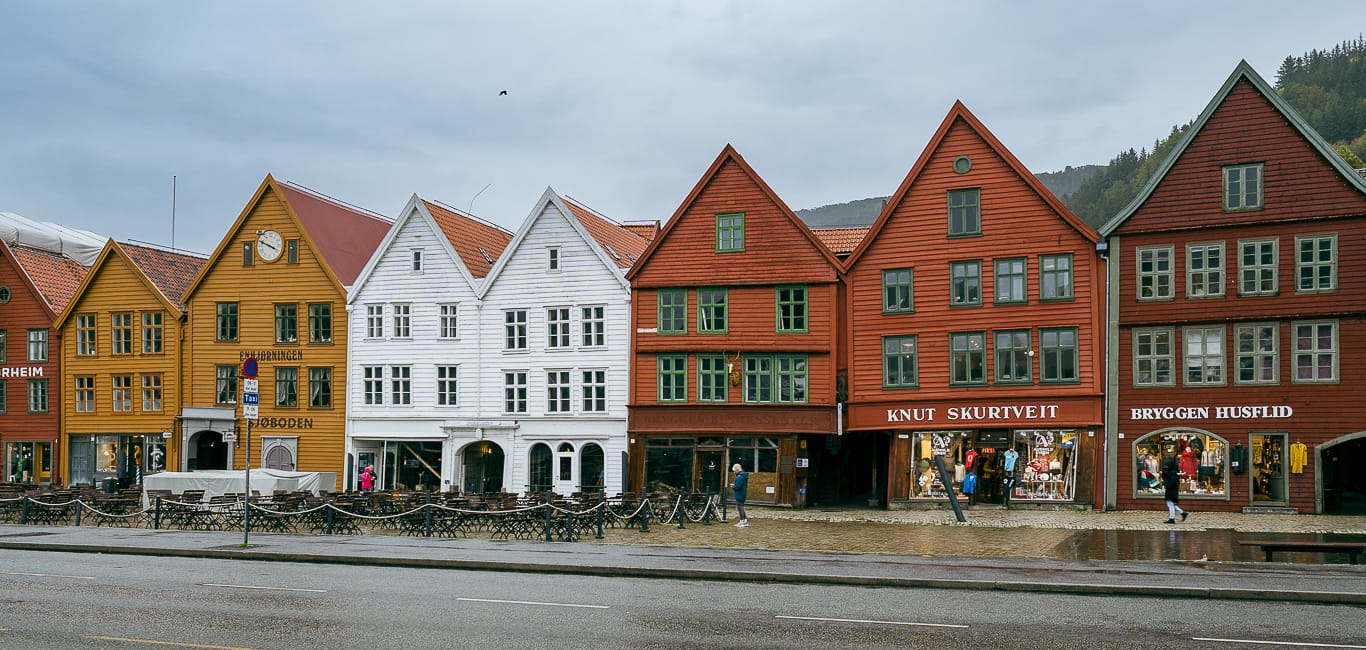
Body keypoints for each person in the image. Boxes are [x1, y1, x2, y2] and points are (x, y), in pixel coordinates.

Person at [1161, 451, 1188, 524]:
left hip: (1171, 490)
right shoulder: (1173, 471)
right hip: (1172, 489)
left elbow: (1171, 482)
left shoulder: (1172, 473)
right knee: (1170, 503)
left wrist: (1167, 486)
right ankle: (1182, 513)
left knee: (1170, 504)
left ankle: (1172, 518)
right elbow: (1165, 477)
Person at [731, 463, 748, 527]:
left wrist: (733, 486)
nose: (734, 472)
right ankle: (745, 521)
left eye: (734, 471)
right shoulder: (743, 476)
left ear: (736, 469)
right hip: (743, 494)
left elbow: (737, 487)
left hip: (739, 494)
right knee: (742, 507)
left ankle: (742, 522)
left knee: (740, 508)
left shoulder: (739, 477)